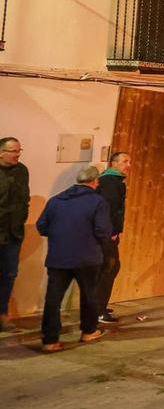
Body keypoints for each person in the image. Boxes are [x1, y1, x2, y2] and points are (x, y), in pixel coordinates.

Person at [36, 166, 112, 352]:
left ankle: (50, 340)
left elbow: (41, 226)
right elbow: (103, 231)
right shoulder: (97, 202)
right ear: (95, 182)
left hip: (58, 257)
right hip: (87, 258)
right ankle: (88, 331)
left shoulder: (56, 201)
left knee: (53, 299)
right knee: (89, 295)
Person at [95, 151, 130, 324]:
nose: (128, 165)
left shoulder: (113, 181)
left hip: (108, 232)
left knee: (109, 268)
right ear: (113, 163)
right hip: (107, 234)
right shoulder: (110, 182)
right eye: (125, 161)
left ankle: (99, 306)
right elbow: (110, 208)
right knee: (110, 268)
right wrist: (113, 231)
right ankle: (99, 310)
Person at [0, 137, 30, 332]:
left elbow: (24, 198)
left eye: (19, 150)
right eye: (13, 151)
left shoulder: (22, 170)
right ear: (1, 152)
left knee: (9, 275)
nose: (18, 154)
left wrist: (21, 218)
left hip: (13, 233)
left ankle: (2, 315)